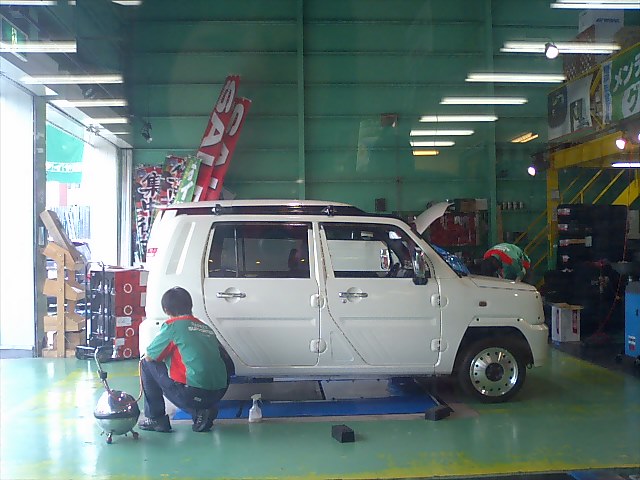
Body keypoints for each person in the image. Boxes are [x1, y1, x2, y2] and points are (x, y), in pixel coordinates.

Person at [139, 287, 229, 433]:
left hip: (194, 393)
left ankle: (156, 418)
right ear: (190, 306)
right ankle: (202, 412)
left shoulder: (173, 326)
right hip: (219, 392)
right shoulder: (205, 327)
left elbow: (150, 356)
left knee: (145, 364)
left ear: (166, 310)